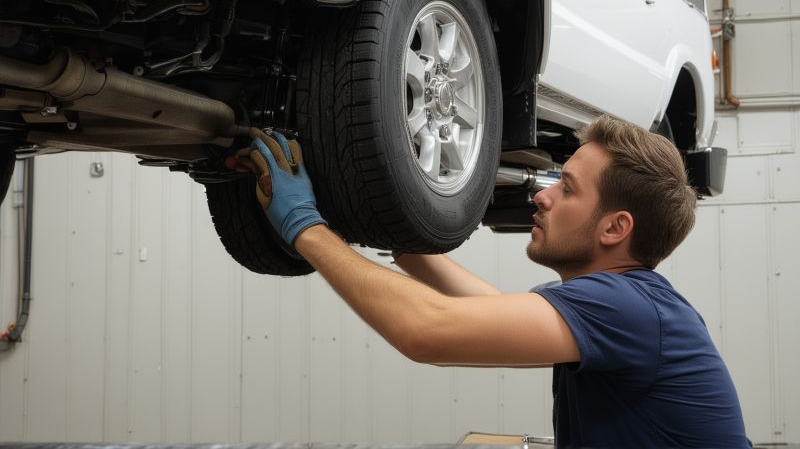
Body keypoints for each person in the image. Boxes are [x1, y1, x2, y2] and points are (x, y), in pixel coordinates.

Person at [233, 116, 750, 448]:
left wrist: (305, 226)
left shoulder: (626, 309)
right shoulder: (628, 304)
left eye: (566, 189)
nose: (542, 197)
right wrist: (408, 248)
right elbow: (495, 308)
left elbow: (429, 329)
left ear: (616, 228)